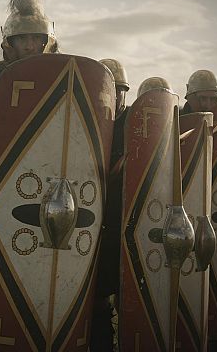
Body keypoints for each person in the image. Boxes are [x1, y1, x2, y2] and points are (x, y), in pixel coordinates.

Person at [91, 58, 130, 352]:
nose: (115, 96)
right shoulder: (86, 121)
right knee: (96, 297)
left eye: (120, 90)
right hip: (90, 222)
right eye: (110, 89)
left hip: (123, 222)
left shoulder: (135, 125)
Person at [0, 0, 57, 96]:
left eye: (37, 37)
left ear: (47, 42)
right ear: (10, 43)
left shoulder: (62, 75)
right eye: (22, 38)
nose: (29, 47)